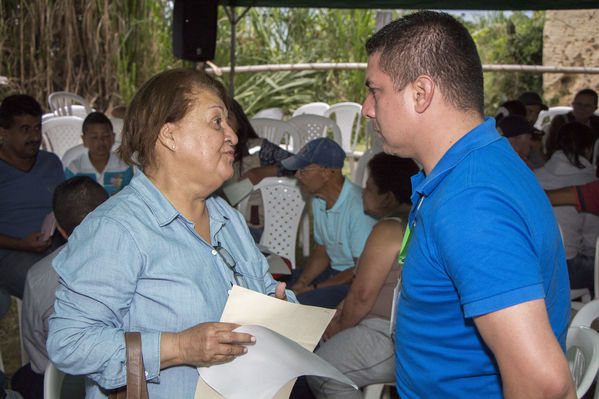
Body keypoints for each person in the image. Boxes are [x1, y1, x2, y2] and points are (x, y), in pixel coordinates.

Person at [47, 68, 296, 399]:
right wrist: (179, 347)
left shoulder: (227, 218)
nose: (233, 136)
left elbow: (266, 289)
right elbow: (70, 342)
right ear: (169, 135)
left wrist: (281, 307)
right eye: (216, 122)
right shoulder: (118, 229)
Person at [362, 11, 574, 399]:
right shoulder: (479, 165)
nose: (367, 108)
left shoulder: (470, 201)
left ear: (420, 93)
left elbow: (543, 383)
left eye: (375, 90)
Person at [307, 153, 418, 399]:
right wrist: (339, 313)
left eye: (368, 187)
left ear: (388, 197)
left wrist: (340, 327)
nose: (362, 192)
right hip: (396, 328)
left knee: (322, 371)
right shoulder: (415, 219)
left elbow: (362, 295)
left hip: (388, 333)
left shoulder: (389, 229)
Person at [15, 176, 108, 399]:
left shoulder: (38, 276)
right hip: (136, 374)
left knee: (23, 378)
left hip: (67, 380)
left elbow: (37, 351)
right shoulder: (145, 258)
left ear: (60, 229)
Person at [282, 137, 377, 308]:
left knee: (300, 305)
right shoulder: (319, 200)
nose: (297, 175)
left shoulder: (358, 207)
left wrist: (313, 288)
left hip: (354, 282)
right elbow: (322, 250)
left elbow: (361, 270)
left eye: (303, 170)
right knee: (274, 284)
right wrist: (302, 283)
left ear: (327, 173)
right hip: (332, 272)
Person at [0, 94, 64, 303]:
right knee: (51, 287)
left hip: (57, 246)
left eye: (37, 128)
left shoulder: (51, 162)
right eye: (25, 129)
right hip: (11, 255)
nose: (35, 136)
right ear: (4, 132)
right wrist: (20, 244)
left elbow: (63, 208)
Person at [536, 122, 598, 294]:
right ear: (588, 149)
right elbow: (591, 241)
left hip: (534, 263)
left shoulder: (535, 176)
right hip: (566, 266)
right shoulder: (589, 182)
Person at [223, 98, 294, 241]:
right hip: (223, 226)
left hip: (254, 228)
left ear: (240, 121)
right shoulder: (209, 154)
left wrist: (263, 172)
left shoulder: (259, 149)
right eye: (217, 120)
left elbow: (298, 164)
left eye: (228, 118)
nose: (223, 125)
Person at [64, 111, 133, 195]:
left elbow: (129, 196)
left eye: (105, 136)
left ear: (113, 137)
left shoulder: (124, 166)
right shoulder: (75, 169)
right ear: (84, 140)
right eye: (94, 137)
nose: (101, 141)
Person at [546, 88, 599, 159]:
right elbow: (551, 147)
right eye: (579, 104)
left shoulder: (596, 123)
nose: (582, 108)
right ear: (573, 105)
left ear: (595, 108)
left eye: (587, 105)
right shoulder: (560, 121)